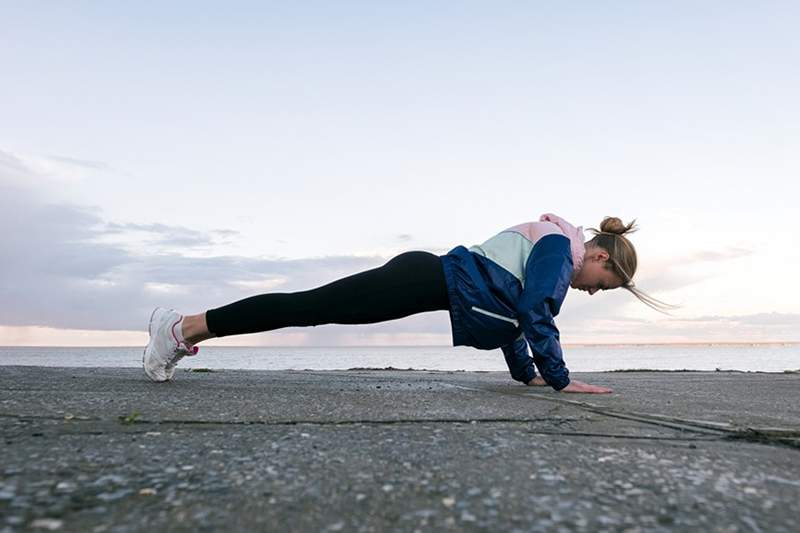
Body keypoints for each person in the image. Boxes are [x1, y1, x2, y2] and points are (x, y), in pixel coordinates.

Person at [143, 213, 678, 392]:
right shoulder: (562, 248)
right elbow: (537, 308)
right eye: (599, 285)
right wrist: (560, 378)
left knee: (308, 308)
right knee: (306, 307)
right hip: (423, 277)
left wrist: (528, 375)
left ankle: (188, 329)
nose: (588, 291)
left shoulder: (553, 245)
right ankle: (183, 327)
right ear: (601, 258)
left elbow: (515, 314)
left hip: (424, 279)